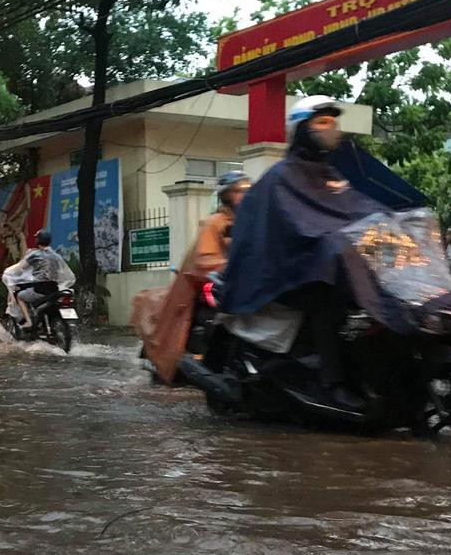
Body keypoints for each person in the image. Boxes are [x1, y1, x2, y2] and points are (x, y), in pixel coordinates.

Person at [220, 96, 387, 415]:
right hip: (290, 272)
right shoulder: (281, 176)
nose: (331, 129)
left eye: (333, 123)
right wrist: (329, 243)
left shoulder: (332, 175)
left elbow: (357, 209)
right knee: (328, 307)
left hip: (329, 267)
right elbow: (298, 224)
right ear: (302, 129)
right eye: (322, 123)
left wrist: (389, 225)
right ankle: (332, 383)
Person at [131, 170, 251, 382]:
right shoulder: (215, 223)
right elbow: (204, 259)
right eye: (238, 191)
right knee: (201, 318)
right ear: (226, 195)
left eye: (248, 191)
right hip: (211, 285)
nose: (244, 196)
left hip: (242, 284)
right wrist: (228, 266)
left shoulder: (252, 222)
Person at [2, 230, 74, 329]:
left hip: (40, 289)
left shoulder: (35, 254)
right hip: (54, 289)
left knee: (20, 296)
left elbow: (21, 267)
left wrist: (10, 272)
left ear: (38, 240)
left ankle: (28, 321)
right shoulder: (56, 256)